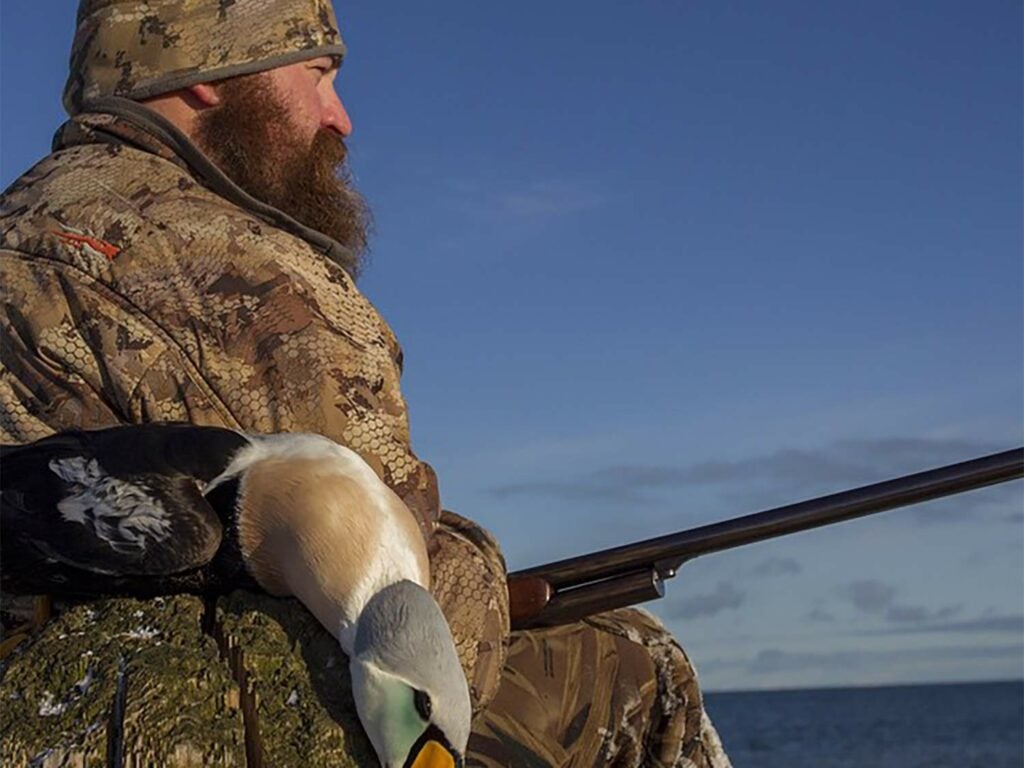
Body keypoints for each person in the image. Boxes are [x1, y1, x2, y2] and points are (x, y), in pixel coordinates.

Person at [0, 2, 730, 765]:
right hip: (161, 720)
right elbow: (395, 577)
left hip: (46, 688)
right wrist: (478, 563)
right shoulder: (244, 274)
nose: (339, 118)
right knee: (631, 660)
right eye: (317, 75)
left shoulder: (20, 224)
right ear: (209, 67)